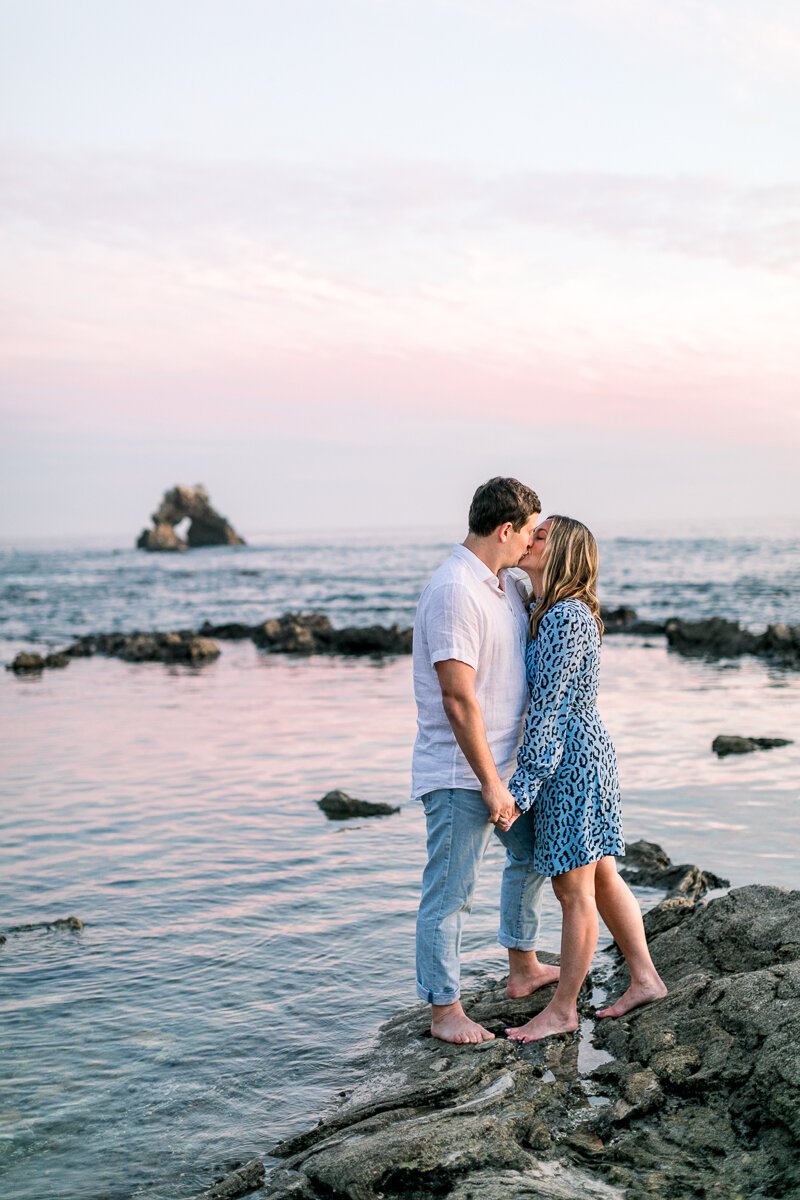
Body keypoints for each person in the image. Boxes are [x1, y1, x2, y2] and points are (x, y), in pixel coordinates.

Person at [505, 515, 667, 1043]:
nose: (531, 538)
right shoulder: (544, 610)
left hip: (571, 762)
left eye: (543, 535)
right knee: (599, 875)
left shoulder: (566, 617)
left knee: (573, 890)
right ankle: (644, 978)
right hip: (579, 755)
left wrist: (520, 791)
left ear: (566, 553)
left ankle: (562, 1010)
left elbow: (548, 712)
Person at [413, 478, 560, 1045]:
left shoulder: (503, 587)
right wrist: (492, 784)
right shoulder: (455, 590)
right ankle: (444, 1010)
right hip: (463, 775)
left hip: (509, 768)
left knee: (532, 857)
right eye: (528, 533)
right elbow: (457, 697)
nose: (530, 543)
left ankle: (522, 968)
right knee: (450, 895)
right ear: (505, 530)